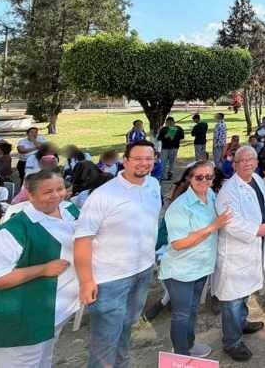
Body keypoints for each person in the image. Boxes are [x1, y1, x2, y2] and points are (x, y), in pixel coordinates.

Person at [74, 140, 162, 368]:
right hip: (110, 279)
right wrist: (85, 281)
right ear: (126, 161)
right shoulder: (103, 195)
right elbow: (83, 239)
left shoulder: (153, 184)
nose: (144, 163)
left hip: (142, 272)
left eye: (149, 159)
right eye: (138, 158)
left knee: (126, 328)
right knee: (105, 339)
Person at [0, 171, 80, 368]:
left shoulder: (70, 210)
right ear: (30, 196)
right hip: (22, 319)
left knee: (44, 362)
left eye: (60, 189)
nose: (56, 195)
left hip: (55, 312)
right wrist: (42, 269)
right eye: (47, 192)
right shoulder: (12, 231)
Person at [159, 161, 231, 357]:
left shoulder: (211, 196)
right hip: (180, 271)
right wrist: (212, 226)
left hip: (201, 268)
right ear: (190, 178)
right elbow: (178, 243)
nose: (204, 181)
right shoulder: (180, 206)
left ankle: (188, 344)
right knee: (181, 315)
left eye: (209, 177)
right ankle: (181, 354)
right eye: (199, 177)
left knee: (191, 311)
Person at [211, 146, 265, 362]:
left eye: (251, 159)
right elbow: (229, 221)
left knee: (243, 294)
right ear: (235, 164)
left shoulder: (256, 179)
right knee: (232, 300)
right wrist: (256, 230)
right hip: (236, 252)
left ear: (256, 162)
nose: (247, 163)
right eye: (242, 160)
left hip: (253, 248)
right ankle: (232, 342)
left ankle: (242, 323)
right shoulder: (229, 190)